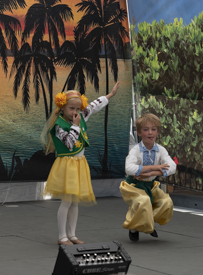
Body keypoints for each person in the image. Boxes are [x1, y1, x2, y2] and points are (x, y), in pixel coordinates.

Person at [41, 83, 120, 245]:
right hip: (67, 166)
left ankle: (72, 234)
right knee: (66, 201)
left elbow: (93, 106)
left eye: (78, 109)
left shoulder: (81, 116)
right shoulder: (59, 126)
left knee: (74, 201)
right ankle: (62, 236)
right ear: (62, 107)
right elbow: (69, 143)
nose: (75, 112)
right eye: (71, 109)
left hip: (79, 164)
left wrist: (110, 95)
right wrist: (75, 127)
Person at [120, 113, 177, 242]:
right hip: (134, 185)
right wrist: (156, 167)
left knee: (166, 203)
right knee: (144, 202)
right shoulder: (135, 150)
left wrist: (152, 173)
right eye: (146, 130)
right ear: (139, 133)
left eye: (153, 129)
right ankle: (134, 229)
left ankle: (148, 222)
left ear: (157, 132)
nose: (150, 133)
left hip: (150, 185)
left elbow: (172, 167)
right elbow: (129, 169)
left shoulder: (160, 150)